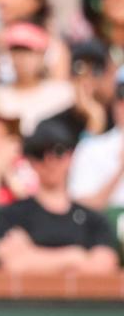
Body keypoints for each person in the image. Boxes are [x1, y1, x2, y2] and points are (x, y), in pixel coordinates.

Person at [0, 125, 119, 275]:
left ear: (70, 156)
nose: (49, 160)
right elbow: (12, 264)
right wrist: (74, 257)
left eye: (58, 151)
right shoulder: (12, 214)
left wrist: (32, 254)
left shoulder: (93, 219)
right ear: (30, 161)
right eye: (39, 153)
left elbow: (104, 266)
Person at [0, 23, 74, 136]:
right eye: (15, 51)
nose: (21, 58)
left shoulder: (62, 92)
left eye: (28, 52)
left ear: (42, 55)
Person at [36, 40, 114, 145]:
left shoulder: (119, 120)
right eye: (79, 69)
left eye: (97, 70)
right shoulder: (53, 126)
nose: (87, 79)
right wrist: (94, 122)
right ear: (70, 77)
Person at [69, 65, 124, 209]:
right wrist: (120, 171)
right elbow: (79, 210)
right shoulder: (91, 148)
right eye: (122, 96)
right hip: (104, 229)